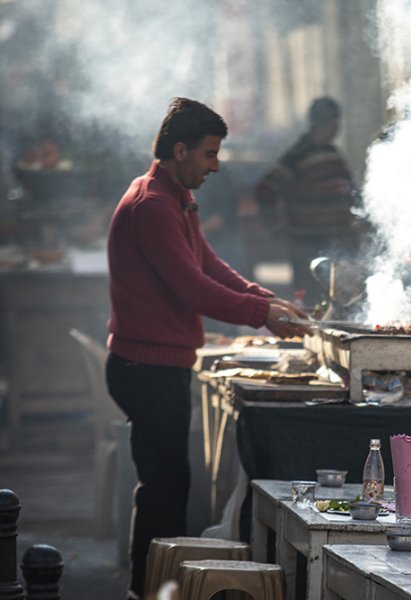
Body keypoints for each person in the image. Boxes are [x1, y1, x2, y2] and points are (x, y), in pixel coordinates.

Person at [105, 97, 308, 600]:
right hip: (145, 367)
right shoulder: (153, 204)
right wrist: (263, 316)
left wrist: (265, 297)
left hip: (159, 364)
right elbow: (191, 289)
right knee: (165, 489)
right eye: (210, 154)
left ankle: (152, 587)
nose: (215, 166)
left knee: (169, 485)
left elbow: (208, 264)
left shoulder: (174, 195)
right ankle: (148, 590)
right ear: (180, 150)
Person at [256, 97, 358, 299]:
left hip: (337, 241)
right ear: (330, 123)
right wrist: (275, 226)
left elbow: (349, 192)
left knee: (338, 298)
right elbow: (265, 189)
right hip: (307, 243)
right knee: (311, 297)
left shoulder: (333, 153)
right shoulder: (297, 155)